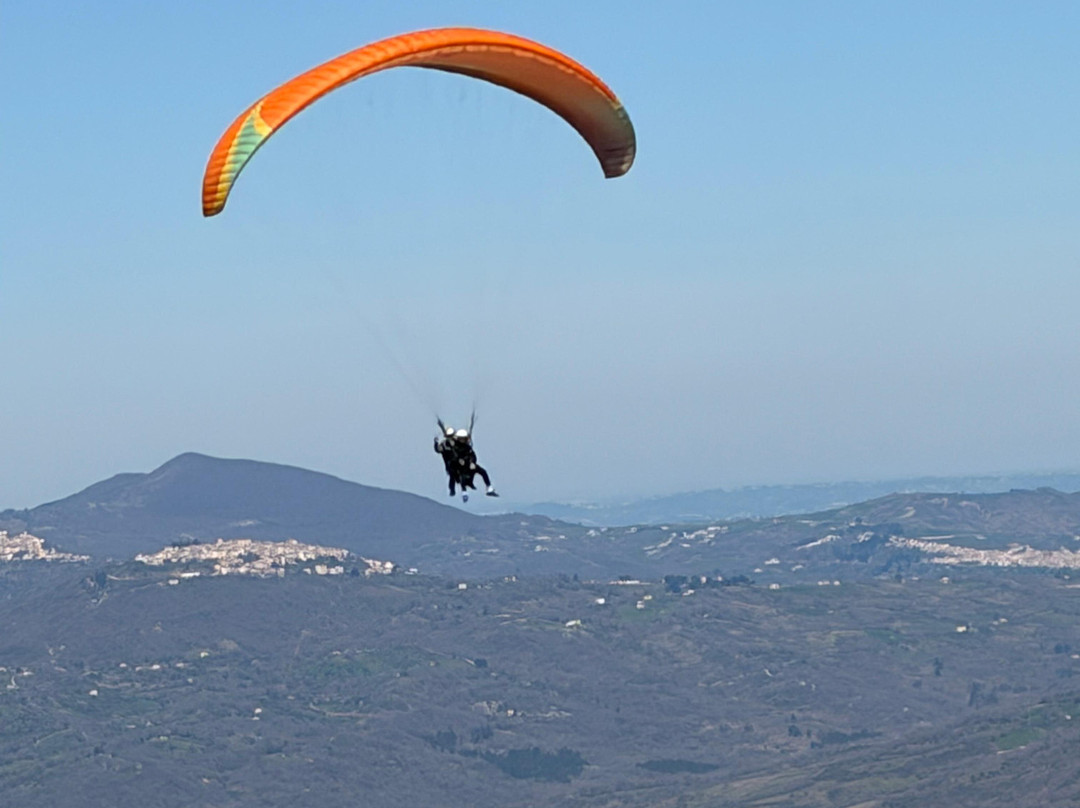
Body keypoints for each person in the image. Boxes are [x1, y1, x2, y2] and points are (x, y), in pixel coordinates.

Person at [450, 428, 498, 498]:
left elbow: (473, 455)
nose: (462, 440)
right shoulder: (455, 448)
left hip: (469, 464)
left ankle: (489, 488)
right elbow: (454, 457)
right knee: (461, 476)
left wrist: (472, 462)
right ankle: (464, 492)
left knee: (483, 471)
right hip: (459, 466)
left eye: (463, 438)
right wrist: (459, 461)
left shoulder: (467, 447)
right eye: (461, 438)